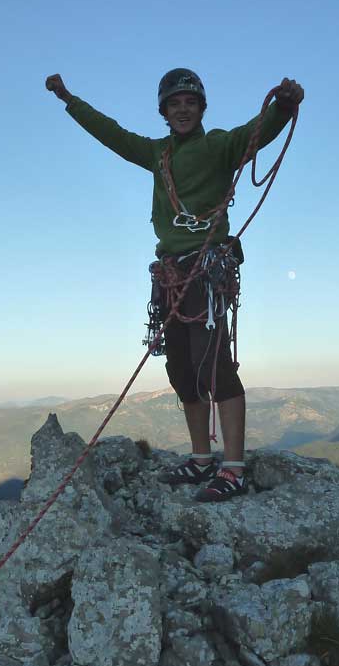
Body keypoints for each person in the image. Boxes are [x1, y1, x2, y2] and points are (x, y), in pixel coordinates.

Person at [45, 69, 304, 501]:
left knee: (213, 365)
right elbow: (112, 135)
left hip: (205, 270)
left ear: (201, 108)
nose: (182, 110)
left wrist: (284, 106)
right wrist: (69, 100)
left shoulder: (219, 146)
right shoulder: (157, 153)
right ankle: (202, 458)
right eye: (174, 104)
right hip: (171, 274)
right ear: (163, 112)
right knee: (181, 368)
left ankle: (233, 468)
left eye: (190, 102)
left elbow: (256, 134)